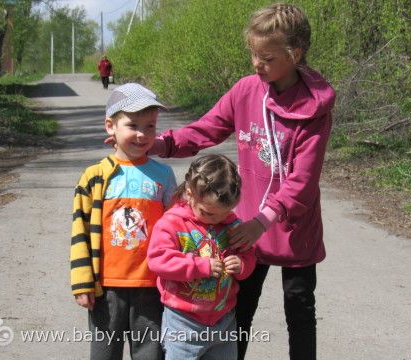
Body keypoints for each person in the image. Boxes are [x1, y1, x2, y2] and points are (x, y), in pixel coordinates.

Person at [147, 3, 336, 359]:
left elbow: (303, 182)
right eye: (253, 54)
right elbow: (205, 129)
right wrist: (161, 144)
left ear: (294, 54)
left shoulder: (314, 111)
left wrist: (262, 222)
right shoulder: (247, 91)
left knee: (299, 308)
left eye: (266, 57)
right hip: (244, 226)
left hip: (291, 226)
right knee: (240, 309)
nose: (256, 64)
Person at [70, 83, 177, 360]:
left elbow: (176, 228)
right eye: (133, 125)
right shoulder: (94, 176)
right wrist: (82, 283)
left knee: (150, 354)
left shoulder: (163, 175)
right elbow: (79, 231)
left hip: (151, 286)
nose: (142, 134)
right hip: (106, 290)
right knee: (104, 355)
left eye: (150, 126)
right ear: (111, 127)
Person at [147, 154, 256, 360]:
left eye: (225, 213)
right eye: (209, 213)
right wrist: (199, 266)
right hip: (183, 320)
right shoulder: (172, 223)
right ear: (189, 194)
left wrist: (242, 265)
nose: (220, 219)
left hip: (223, 318)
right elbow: (158, 260)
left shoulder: (230, 223)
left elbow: (248, 254)